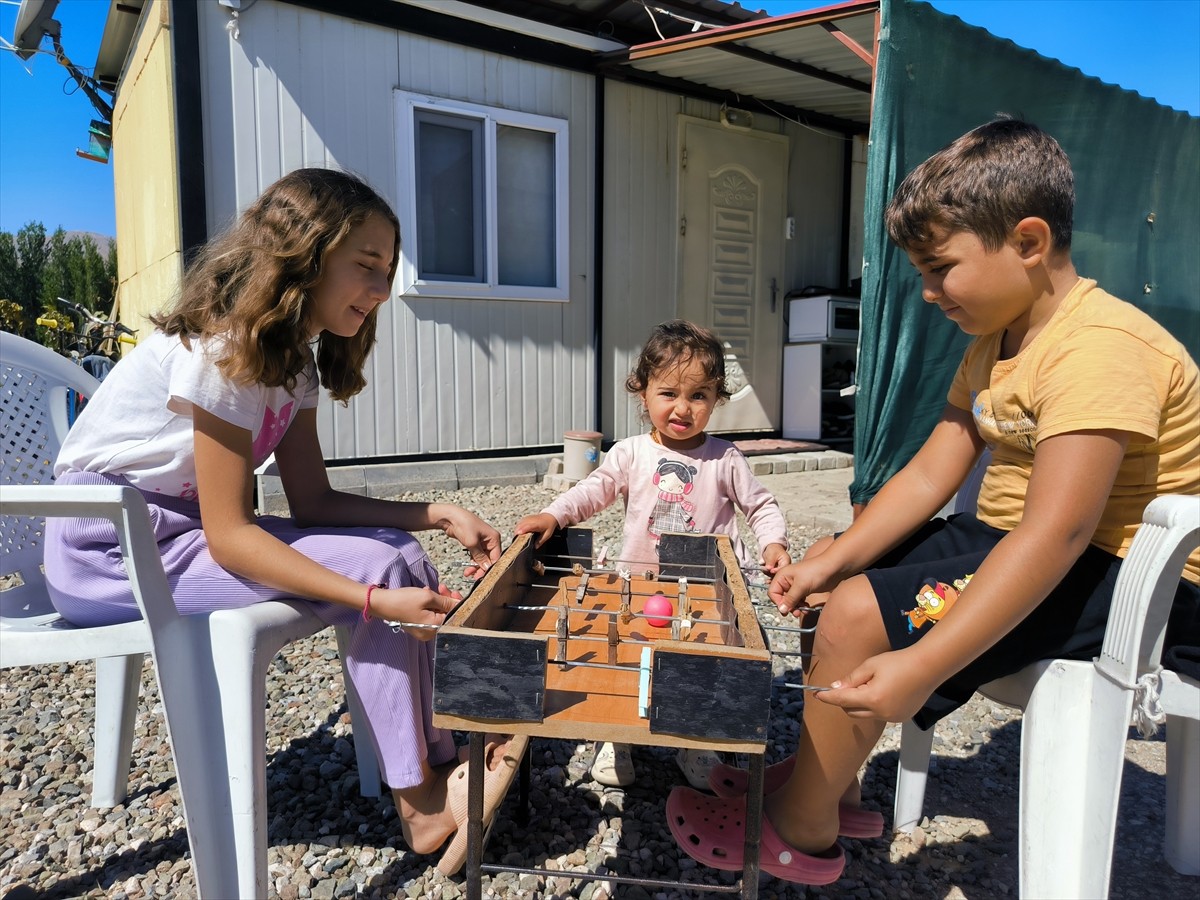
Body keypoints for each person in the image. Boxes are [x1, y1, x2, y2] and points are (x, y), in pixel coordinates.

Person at [667, 117, 1200, 885]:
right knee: (838, 591)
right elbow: (929, 475)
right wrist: (836, 555)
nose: (927, 291)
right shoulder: (999, 340)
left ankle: (803, 832)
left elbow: (1058, 534)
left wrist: (922, 666)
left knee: (859, 614)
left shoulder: (1102, 348)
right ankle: (831, 781)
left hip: (1138, 586)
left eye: (941, 266)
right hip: (1028, 543)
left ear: (1027, 241)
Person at [43, 168, 524, 877]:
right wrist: (365, 599)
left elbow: (314, 503)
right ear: (302, 256)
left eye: (389, 272)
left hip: (177, 534)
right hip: (110, 552)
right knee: (382, 577)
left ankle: (444, 753)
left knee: (398, 553)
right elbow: (232, 535)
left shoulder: (290, 359)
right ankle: (422, 805)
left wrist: (435, 514)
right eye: (366, 267)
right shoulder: (225, 350)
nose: (382, 290)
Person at [515, 319, 792, 790]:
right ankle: (617, 741)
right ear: (642, 393)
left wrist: (773, 543)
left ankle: (695, 743)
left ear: (716, 399)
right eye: (669, 394)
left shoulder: (725, 458)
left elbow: (760, 505)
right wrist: (555, 515)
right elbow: (593, 490)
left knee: (705, 664)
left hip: (710, 591)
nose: (683, 408)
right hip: (639, 585)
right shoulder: (630, 453)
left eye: (699, 395)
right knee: (628, 659)